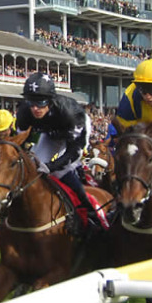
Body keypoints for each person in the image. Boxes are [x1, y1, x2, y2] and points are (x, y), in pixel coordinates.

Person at [14, 71, 106, 235]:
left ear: (50, 100)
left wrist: (51, 165)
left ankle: (91, 215)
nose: (35, 108)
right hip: (49, 133)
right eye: (31, 102)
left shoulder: (70, 113)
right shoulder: (23, 112)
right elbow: (21, 145)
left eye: (41, 102)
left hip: (73, 134)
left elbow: (74, 151)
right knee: (35, 167)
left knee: (61, 169)